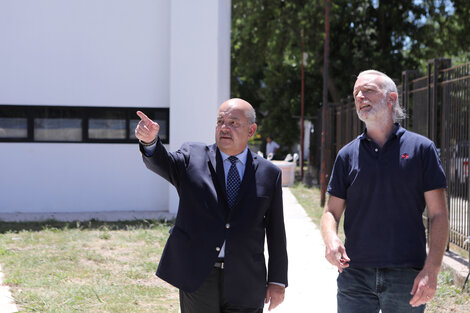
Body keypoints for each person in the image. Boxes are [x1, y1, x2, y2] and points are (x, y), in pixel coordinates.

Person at [135, 98, 288, 313]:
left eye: (233, 123)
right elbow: (163, 163)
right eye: (220, 121)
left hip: (246, 280)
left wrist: (277, 281)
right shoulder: (193, 156)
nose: (224, 128)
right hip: (198, 276)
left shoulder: (269, 173)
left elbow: (276, 232)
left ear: (251, 130)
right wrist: (150, 142)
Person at [320, 70, 449, 313]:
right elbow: (331, 212)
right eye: (356, 92)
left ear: (391, 99)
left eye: (368, 90)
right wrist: (330, 238)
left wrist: (432, 269)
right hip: (354, 275)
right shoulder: (346, 155)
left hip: (407, 276)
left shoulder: (422, 149)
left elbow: (438, 215)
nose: (359, 96)